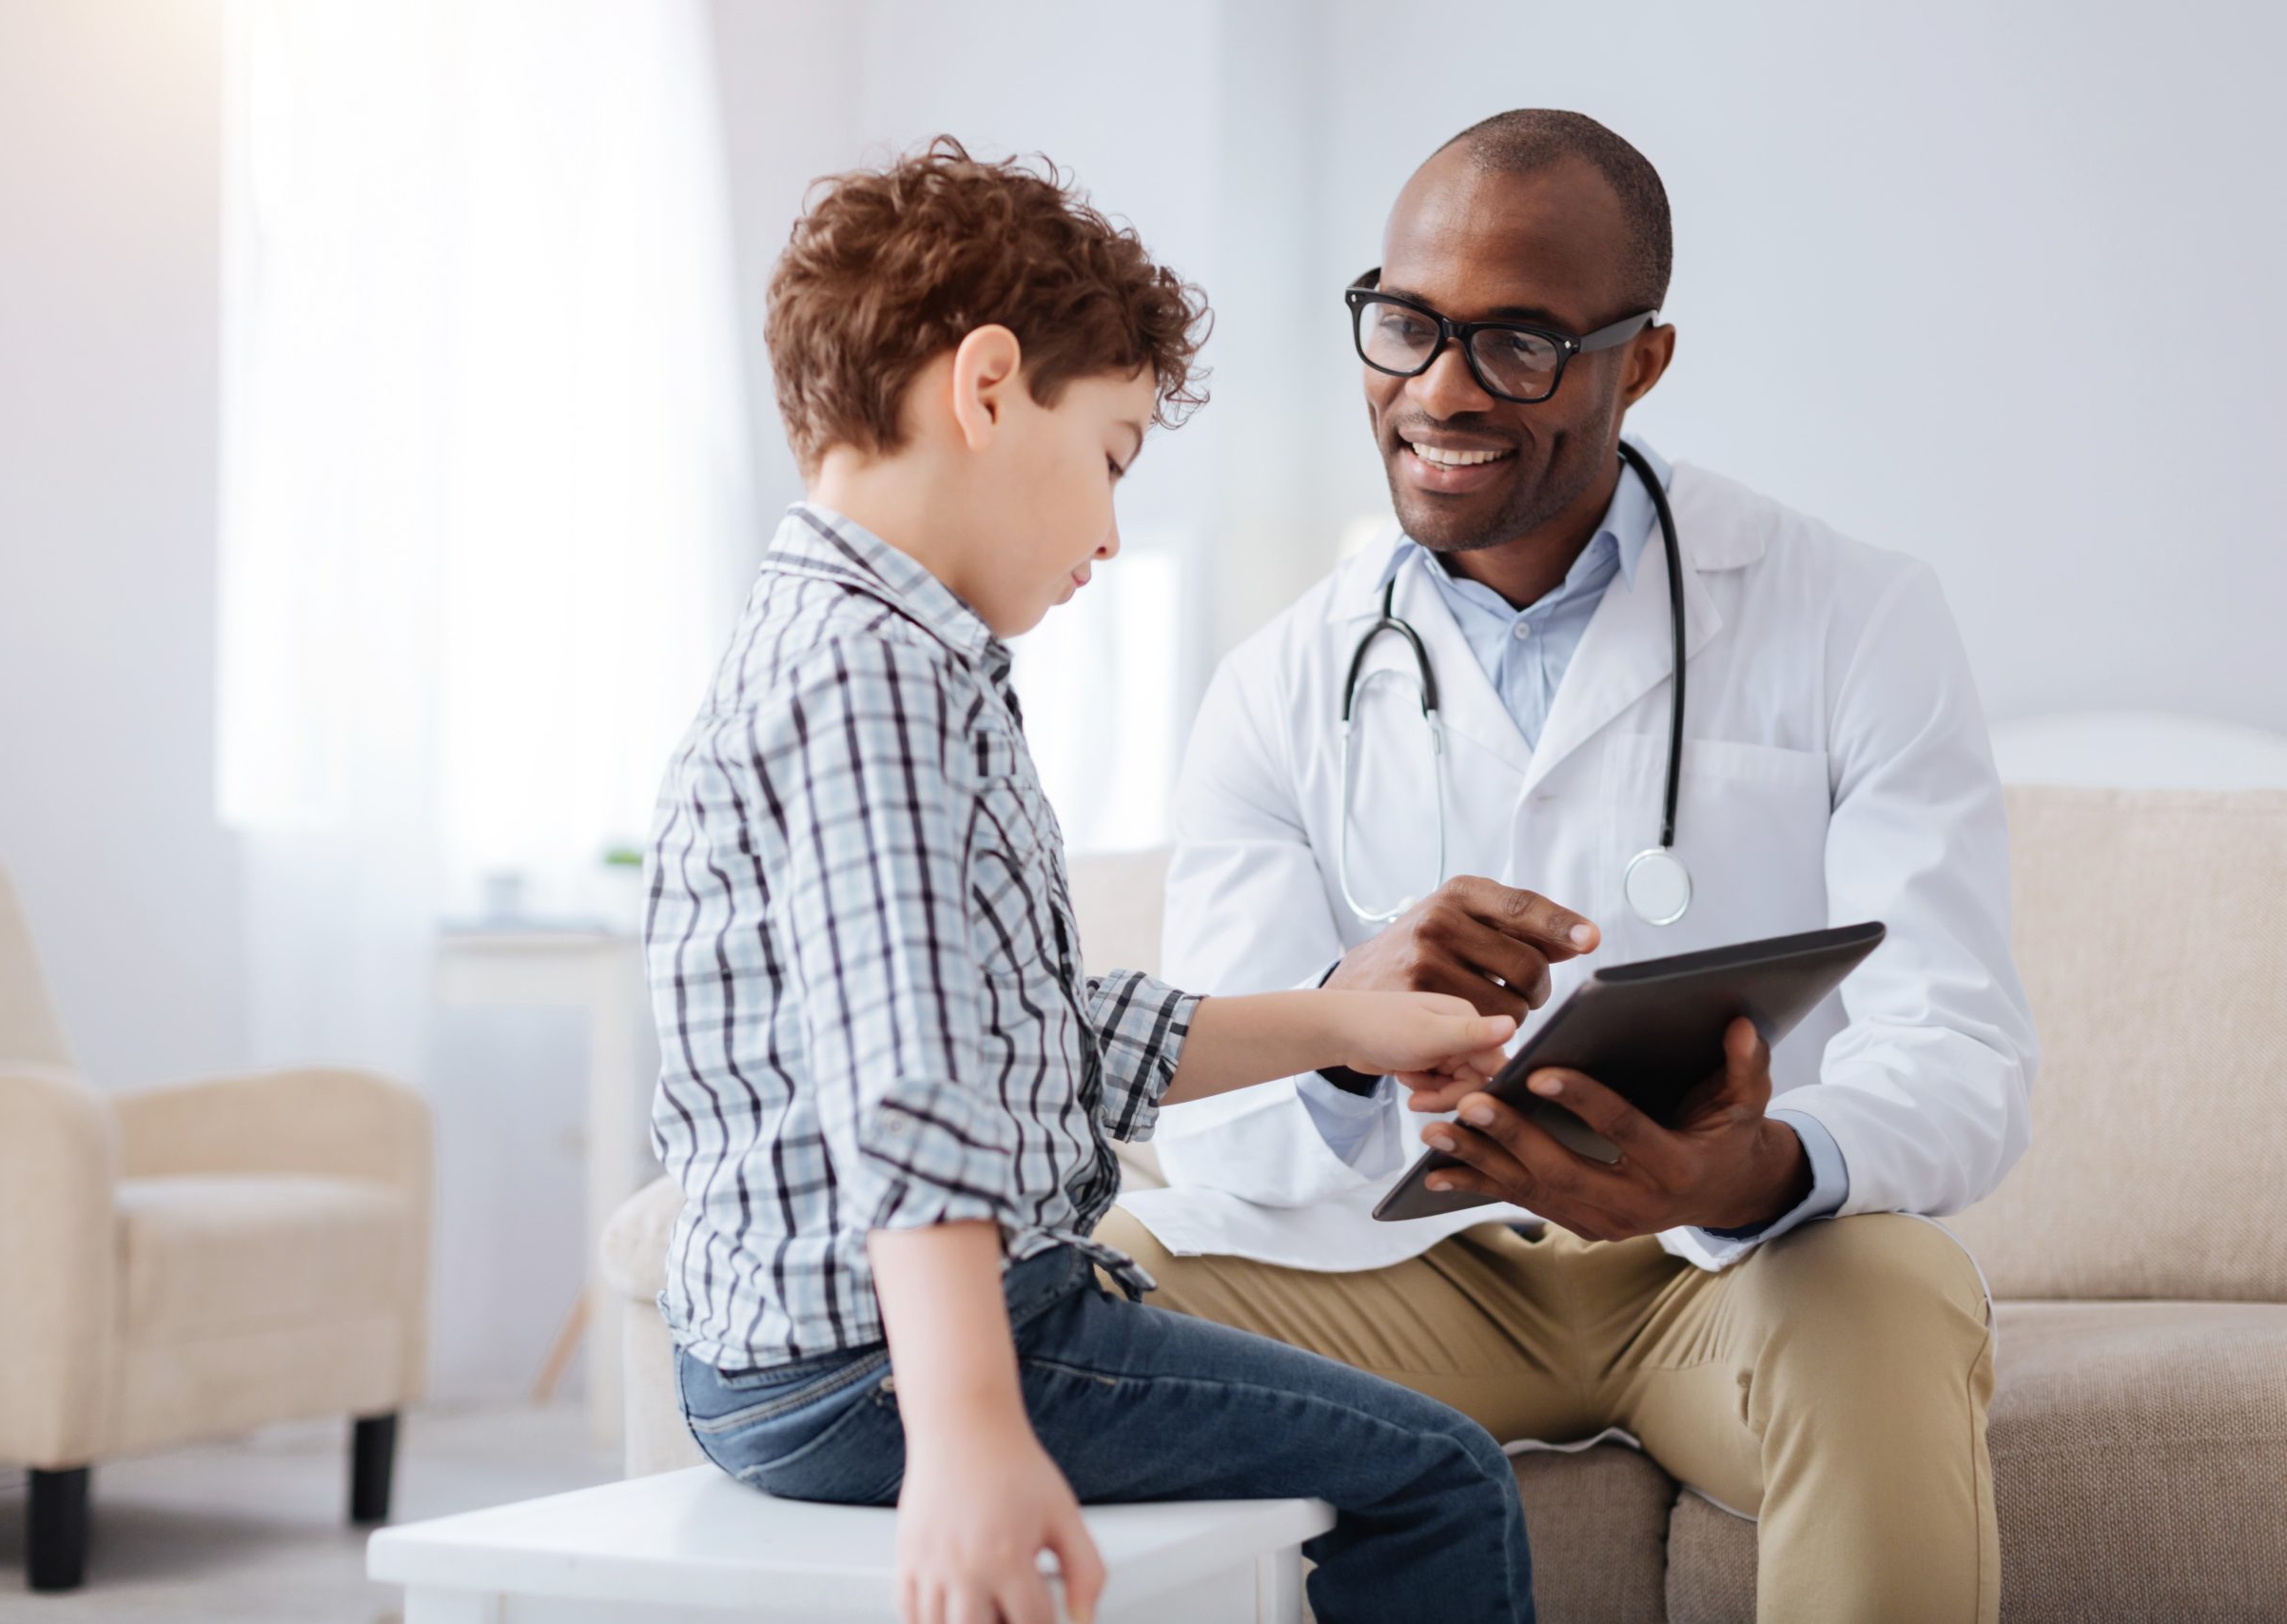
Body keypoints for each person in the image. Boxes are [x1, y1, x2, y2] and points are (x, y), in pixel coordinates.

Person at [1103, 109, 2039, 1623]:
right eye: (1406, 325)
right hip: (1403, 1281)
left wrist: (1756, 1169)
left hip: (1724, 1273)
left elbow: (1964, 1052)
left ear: (1641, 361)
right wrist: (1343, 1028)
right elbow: (1216, 1132)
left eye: (1519, 344)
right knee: (1088, 1302)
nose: (1441, 391)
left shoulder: (1854, 617)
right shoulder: (1280, 683)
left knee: (1900, 1296)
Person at [644, 138, 1538, 1624]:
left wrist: (1341, 1024)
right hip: (879, 1361)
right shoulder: (876, 681)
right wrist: (972, 1431)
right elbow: (910, 1084)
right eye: (1114, 454)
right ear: (988, 389)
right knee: (1439, 1476)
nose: (1114, 535)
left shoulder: (845, 649)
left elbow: (1035, 1034)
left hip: (803, 1359)